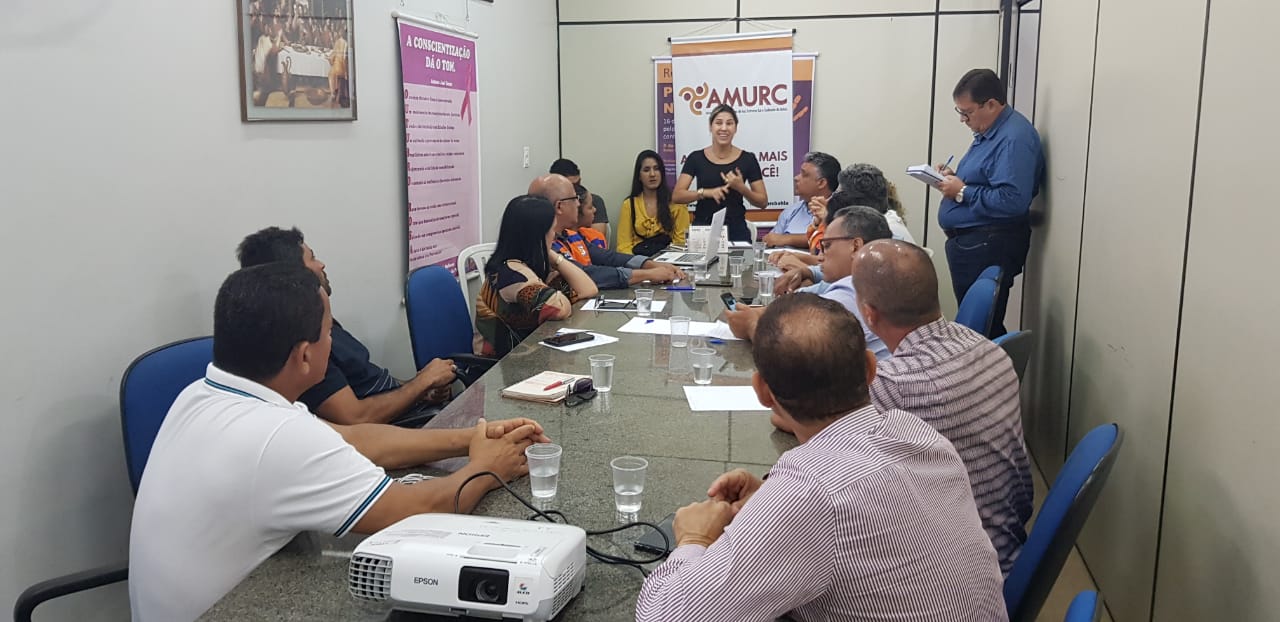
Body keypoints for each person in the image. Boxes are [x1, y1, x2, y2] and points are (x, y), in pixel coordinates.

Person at [129, 262, 550, 621]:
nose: (334, 340)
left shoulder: (205, 394)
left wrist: (471, 438)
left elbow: (356, 439)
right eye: (329, 331)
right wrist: (487, 467)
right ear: (305, 355)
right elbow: (423, 511)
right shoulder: (279, 437)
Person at [635, 294, 1007, 622]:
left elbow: (667, 615)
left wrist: (694, 539)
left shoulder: (810, 494)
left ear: (763, 391)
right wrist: (768, 498)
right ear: (870, 368)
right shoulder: (914, 431)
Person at [851, 239, 1033, 574]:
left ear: (868, 314)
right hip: (1004, 545)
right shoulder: (988, 348)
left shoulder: (891, 387)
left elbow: (811, 420)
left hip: (957, 575)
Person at [238, 227, 455, 428]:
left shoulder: (320, 319)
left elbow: (370, 383)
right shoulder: (301, 345)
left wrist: (420, 388)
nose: (321, 264)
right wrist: (420, 384)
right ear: (293, 275)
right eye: (312, 258)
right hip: (395, 431)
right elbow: (356, 418)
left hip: (413, 412)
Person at [935, 68, 1045, 337]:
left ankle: (990, 378)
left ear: (992, 104)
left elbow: (1012, 200)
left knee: (981, 331)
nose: (963, 119)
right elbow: (985, 179)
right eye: (959, 112)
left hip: (989, 243)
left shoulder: (1013, 138)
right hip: (975, 243)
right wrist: (955, 180)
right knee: (976, 329)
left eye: (967, 112)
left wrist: (962, 192)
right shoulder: (991, 132)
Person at [724, 206, 891, 362]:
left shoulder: (856, 291)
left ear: (855, 246)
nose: (820, 256)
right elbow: (793, 303)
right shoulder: (850, 279)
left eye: (826, 246)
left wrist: (751, 325)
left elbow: (793, 353)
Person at [475, 195, 598, 356]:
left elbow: (588, 289)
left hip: (527, 353)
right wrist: (550, 254)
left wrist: (554, 257)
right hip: (500, 367)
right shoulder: (510, 273)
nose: (554, 235)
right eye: (552, 230)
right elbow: (559, 308)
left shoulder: (532, 265)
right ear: (537, 236)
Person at [529, 174, 685, 289]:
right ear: (559, 207)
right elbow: (586, 273)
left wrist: (650, 264)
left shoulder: (570, 235)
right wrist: (648, 275)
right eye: (574, 198)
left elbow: (608, 257)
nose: (578, 203)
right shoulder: (545, 245)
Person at [673, 104, 769, 242]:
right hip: (703, 231)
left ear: (735, 128)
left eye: (729, 123)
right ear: (710, 127)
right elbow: (677, 195)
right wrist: (706, 193)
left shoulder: (748, 159)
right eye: (718, 123)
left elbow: (763, 202)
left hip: (736, 232)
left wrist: (741, 188)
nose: (724, 128)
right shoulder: (696, 158)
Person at [616, 150, 691, 255]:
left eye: (656, 169)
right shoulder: (629, 205)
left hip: (668, 263)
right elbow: (623, 246)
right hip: (638, 264)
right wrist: (642, 264)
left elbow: (681, 243)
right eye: (646, 170)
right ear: (639, 176)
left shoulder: (676, 203)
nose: (652, 174)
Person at [762, 151, 839, 249]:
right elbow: (771, 239)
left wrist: (787, 239)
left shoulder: (841, 211)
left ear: (821, 183)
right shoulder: (791, 211)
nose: (796, 178)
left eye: (804, 175)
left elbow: (831, 240)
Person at [549, 158, 609, 237]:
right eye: (571, 185)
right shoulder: (548, 205)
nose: (576, 188)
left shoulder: (591, 200)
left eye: (578, 183)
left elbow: (598, 240)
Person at [572, 183, 609, 250]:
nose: (594, 210)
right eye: (590, 207)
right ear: (576, 211)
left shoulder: (597, 236)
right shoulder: (560, 243)